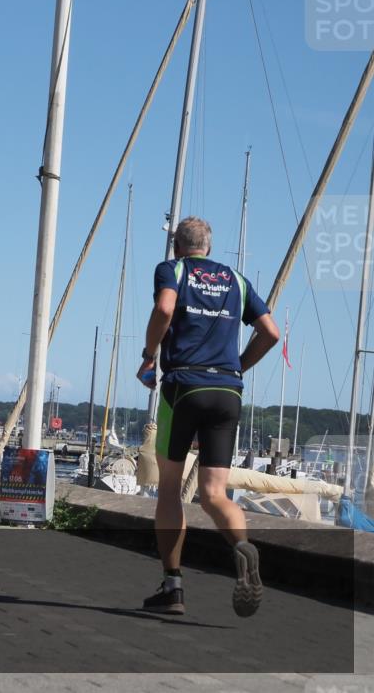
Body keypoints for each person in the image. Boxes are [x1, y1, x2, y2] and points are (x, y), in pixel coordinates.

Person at [136, 217, 279, 618]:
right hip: (227, 391)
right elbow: (271, 333)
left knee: (169, 489)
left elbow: (165, 307)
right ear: (209, 248)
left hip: (184, 386)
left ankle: (173, 586)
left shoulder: (174, 270)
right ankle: (242, 547)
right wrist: (237, 368)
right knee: (215, 493)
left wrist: (148, 356)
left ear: (177, 247)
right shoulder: (236, 280)